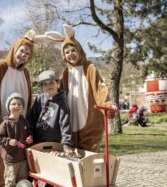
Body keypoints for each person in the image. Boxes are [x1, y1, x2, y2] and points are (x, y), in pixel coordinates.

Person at [0, 30, 46, 187]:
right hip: (2, 121)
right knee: (0, 157)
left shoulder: (25, 73)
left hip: (21, 121)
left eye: (28, 53)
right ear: (15, 49)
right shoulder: (0, 67)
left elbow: (29, 97)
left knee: (20, 156)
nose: (24, 55)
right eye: (22, 51)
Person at [45, 24, 117, 152]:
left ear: (79, 51)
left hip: (89, 119)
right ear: (63, 55)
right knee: (72, 152)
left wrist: (107, 104)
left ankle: (92, 171)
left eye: (73, 51)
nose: (70, 54)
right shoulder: (66, 72)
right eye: (67, 52)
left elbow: (99, 88)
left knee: (90, 152)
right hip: (72, 119)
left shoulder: (90, 68)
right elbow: (60, 93)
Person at [27, 70, 74, 187]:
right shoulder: (40, 99)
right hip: (37, 138)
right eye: (45, 84)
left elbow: (65, 124)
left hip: (52, 141)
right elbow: (31, 118)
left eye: (51, 82)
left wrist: (67, 144)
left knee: (50, 166)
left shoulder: (62, 102)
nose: (49, 86)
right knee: (32, 164)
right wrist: (29, 133)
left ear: (57, 83)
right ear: (41, 87)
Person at [0, 93, 33, 187]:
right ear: (9, 107)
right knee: (10, 179)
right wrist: (8, 141)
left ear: (22, 107)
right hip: (11, 158)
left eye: (19, 104)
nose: (16, 106)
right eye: (13, 104)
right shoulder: (5, 123)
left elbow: (30, 133)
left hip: (22, 157)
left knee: (22, 178)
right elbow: (0, 138)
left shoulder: (24, 121)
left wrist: (29, 138)